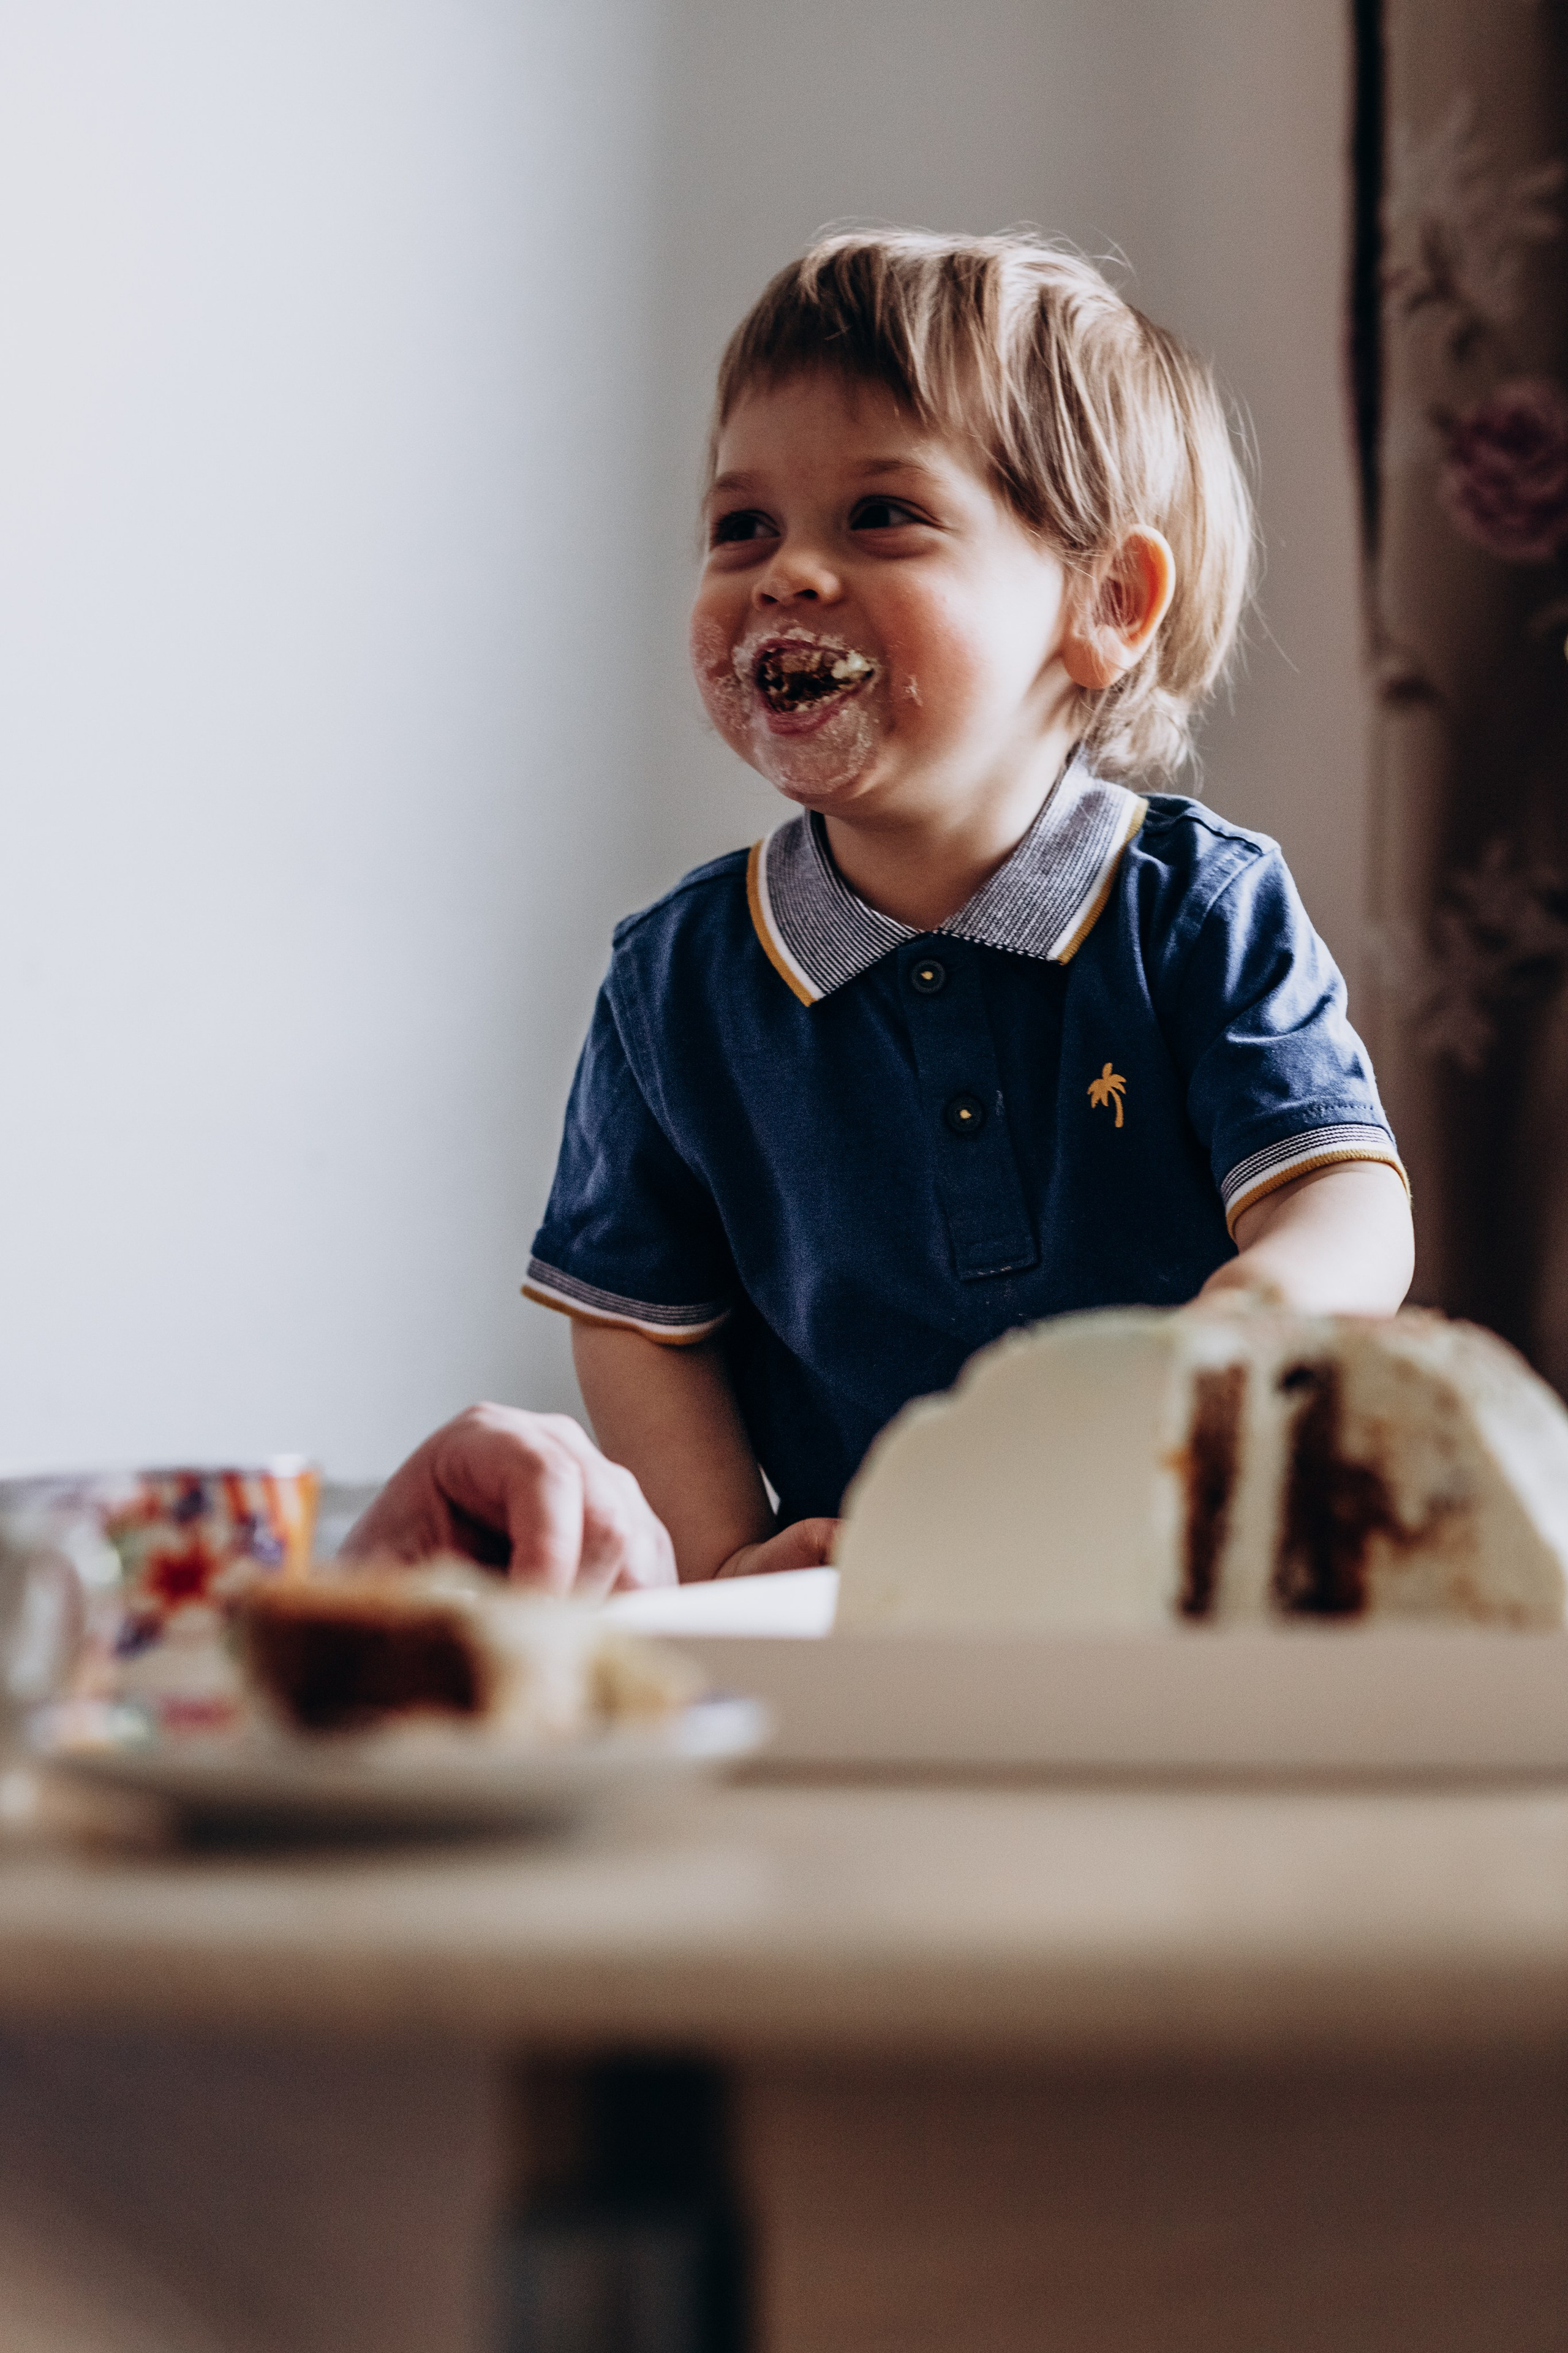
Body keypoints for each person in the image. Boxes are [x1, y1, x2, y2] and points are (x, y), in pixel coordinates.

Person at [381, 230, 1415, 1590]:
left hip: (1188, 1585)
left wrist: (1253, 1320)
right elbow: (642, 1323)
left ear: (1104, 604)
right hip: (859, 1604)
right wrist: (722, 1558)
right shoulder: (676, 982)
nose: (784, 574)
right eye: (740, 525)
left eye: (880, 517)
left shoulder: (1199, 911)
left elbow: (1345, 1205)